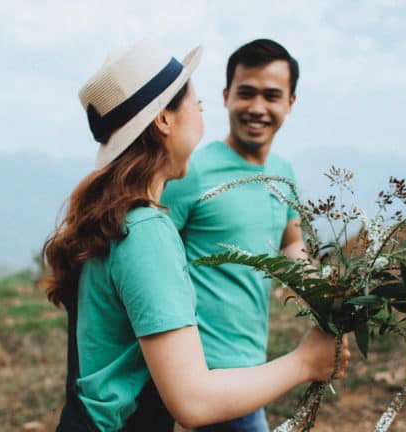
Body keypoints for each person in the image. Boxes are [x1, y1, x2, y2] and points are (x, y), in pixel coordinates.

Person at [41, 40, 349, 432]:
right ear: (164, 120)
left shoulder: (122, 218)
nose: (202, 112)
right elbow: (194, 401)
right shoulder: (147, 232)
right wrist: (306, 361)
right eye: (196, 103)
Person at [160, 38, 305, 432]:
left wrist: (316, 286)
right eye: (246, 93)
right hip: (206, 372)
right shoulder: (191, 173)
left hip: (252, 366)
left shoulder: (283, 173)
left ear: (290, 102)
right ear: (226, 96)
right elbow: (153, 257)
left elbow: (291, 241)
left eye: (272, 96)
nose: (257, 108)